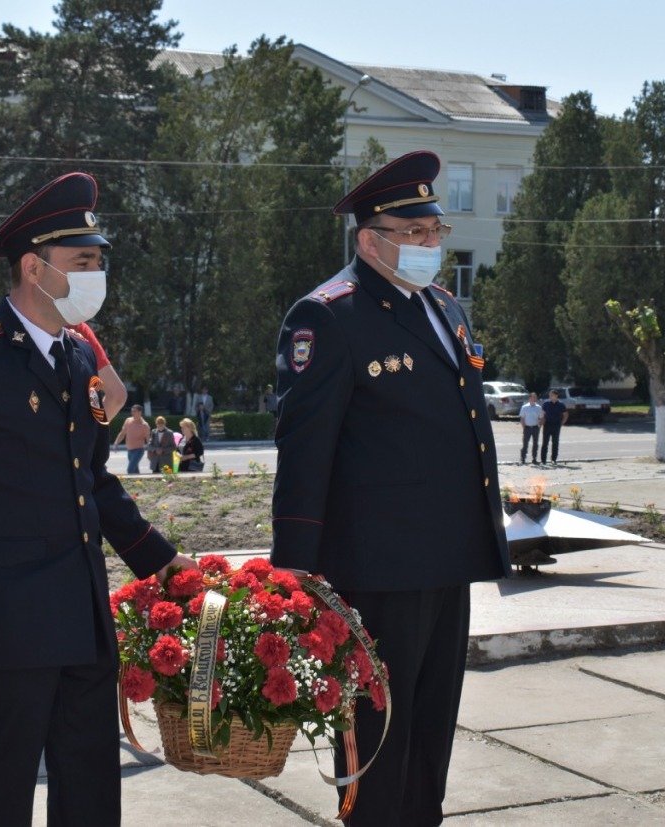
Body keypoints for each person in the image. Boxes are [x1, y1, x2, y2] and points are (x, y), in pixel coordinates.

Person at [0, 172, 195, 827]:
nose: (95, 274)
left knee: (90, 786)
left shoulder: (79, 358)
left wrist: (165, 565)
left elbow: (94, 482)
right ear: (34, 266)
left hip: (82, 614)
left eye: (98, 262)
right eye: (82, 262)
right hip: (9, 620)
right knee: (5, 782)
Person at [270, 151, 511, 826]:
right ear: (369, 239)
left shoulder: (443, 308)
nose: (429, 244)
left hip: (445, 561)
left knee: (430, 741)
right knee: (376, 748)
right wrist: (293, 572)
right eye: (414, 234)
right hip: (374, 571)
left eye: (434, 232)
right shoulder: (329, 316)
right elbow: (304, 451)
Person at [113, 404, 151, 474]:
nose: (132, 413)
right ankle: (138, 483)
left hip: (138, 451)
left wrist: (150, 451)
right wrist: (116, 443)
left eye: (134, 411)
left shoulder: (144, 425)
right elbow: (122, 433)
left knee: (130, 469)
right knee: (135, 471)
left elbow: (148, 439)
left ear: (140, 412)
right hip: (129, 450)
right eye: (132, 411)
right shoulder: (128, 421)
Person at [541, 388, 569, 464]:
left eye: (552, 395)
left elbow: (565, 414)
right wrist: (542, 421)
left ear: (556, 396)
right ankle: (543, 460)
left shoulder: (561, 404)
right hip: (547, 425)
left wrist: (562, 423)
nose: (550, 396)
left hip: (556, 425)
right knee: (545, 443)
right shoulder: (546, 403)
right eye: (550, 395)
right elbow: (542, 414)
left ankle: (554, 459)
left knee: (555, 442)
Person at [519, 391, 542, 464]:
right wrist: (524, 427)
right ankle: (523, 458)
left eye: (535, 397)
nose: (534, 398)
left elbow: (541, 418)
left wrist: (539, 426)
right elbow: (522, 418)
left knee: (535, 444)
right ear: (529, 398)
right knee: (525, 443)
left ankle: (534, 458)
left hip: (535, 427)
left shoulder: (538, 407)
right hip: (527, 427)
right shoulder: (524, 407)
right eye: (533, 397)